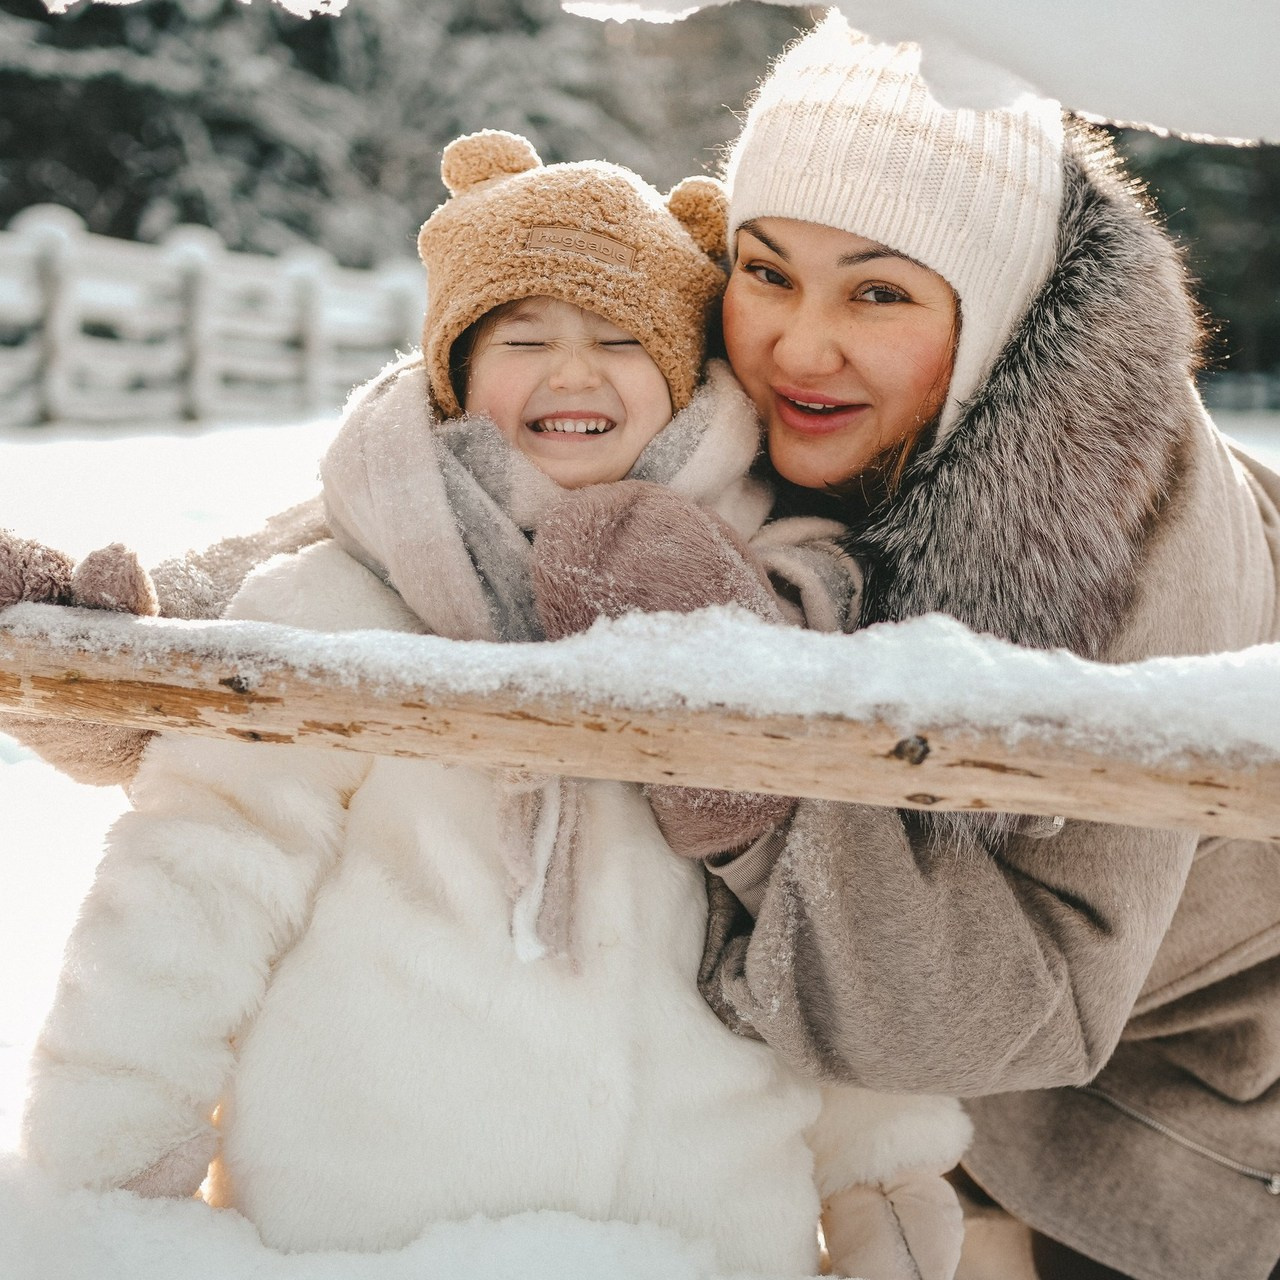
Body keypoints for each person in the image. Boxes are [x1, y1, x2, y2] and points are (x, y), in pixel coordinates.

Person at [13, 130, 972, 1278]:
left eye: (621, 338)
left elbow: (824, 917)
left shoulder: (768, 599)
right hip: (365, 1221)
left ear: (680, 371)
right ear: (455, 372)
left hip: (702, 1224)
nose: (573, 373)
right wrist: (111, 1163)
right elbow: (189, 892)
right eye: (523, 338)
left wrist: (881, 1172)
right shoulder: (335, 598)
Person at [644, 14, 1277, 1280]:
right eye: (765, 271)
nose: (797, 344)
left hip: (1181, 1118)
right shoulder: (776, 385)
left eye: (876, 291)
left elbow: (1032, 1004)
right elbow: (509, 434)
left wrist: (746, 784)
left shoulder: (1118, 518)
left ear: (993, 308)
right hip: (925, 1108)